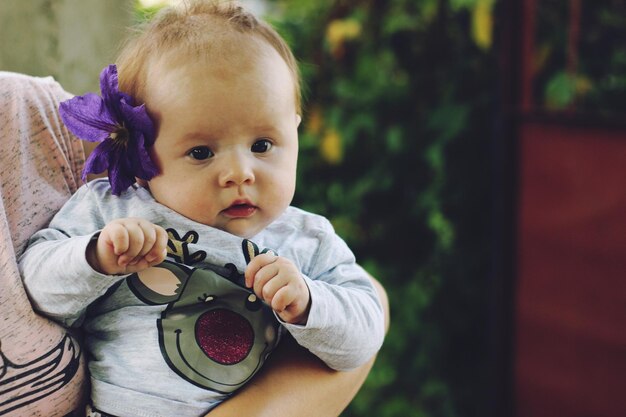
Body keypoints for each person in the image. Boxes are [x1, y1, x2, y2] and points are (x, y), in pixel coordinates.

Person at [17, 2, 386, 417]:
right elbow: (36, 289)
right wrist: (95, 257)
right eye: (201, 152)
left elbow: (366, 331)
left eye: (262, 145)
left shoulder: (305, 240)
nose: (239, 173)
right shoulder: (116, 211)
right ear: (142, 157)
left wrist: (309, 303)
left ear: (294, 130)